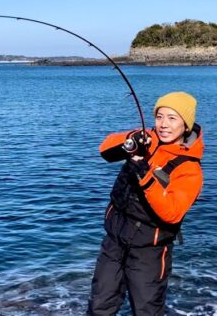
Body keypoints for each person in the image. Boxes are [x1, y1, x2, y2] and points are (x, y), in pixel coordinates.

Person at [87, 91, 204, 315]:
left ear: (186, 125)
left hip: (149, 252)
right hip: (114, 242)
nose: (163, 125)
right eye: (159, 117)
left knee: (146, 310)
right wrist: (133, 138)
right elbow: (105, 150)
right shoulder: (147, 139)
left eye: (172, 118)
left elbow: (172, 212)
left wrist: (145, 174)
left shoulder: (191, 170)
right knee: (99, 305)